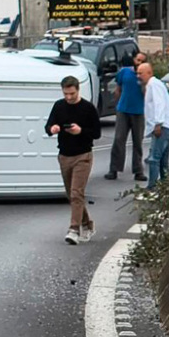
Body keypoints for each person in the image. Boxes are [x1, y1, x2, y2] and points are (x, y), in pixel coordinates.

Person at [45, 75, 102, 245]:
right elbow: (48, 126)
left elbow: (97, 133)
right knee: (72, 195)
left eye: (72, 94)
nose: (69, 97)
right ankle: (87, 224)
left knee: (77, 192)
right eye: (66, 94)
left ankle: (74, 229)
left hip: (83, 155)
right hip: (64, 155)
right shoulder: (59, 106)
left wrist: (80, 131)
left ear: (78, 90)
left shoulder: (88, 108)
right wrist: (52, 129)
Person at [138, 62, 169, 191]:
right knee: (162, 159)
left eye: (140, 73)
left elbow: (159, 104)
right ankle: (166, 186)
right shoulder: (154, 84)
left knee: (154, 158)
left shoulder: (153, 85)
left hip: (164, 126)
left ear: (149, 73)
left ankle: (152, 187)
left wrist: (158, 124)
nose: (138, 76)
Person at [107, 52, 147, 182]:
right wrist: (117, 105)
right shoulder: (124, 72)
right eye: (137, 59)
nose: (138, 62)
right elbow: (118, 89)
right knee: (119, 139)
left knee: (137, 142)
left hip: (138, 112)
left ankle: (138, 171)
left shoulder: (145, 76)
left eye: (142, 61)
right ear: (133, 60)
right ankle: (114, 169)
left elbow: (148, 94)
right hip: (123, 111)